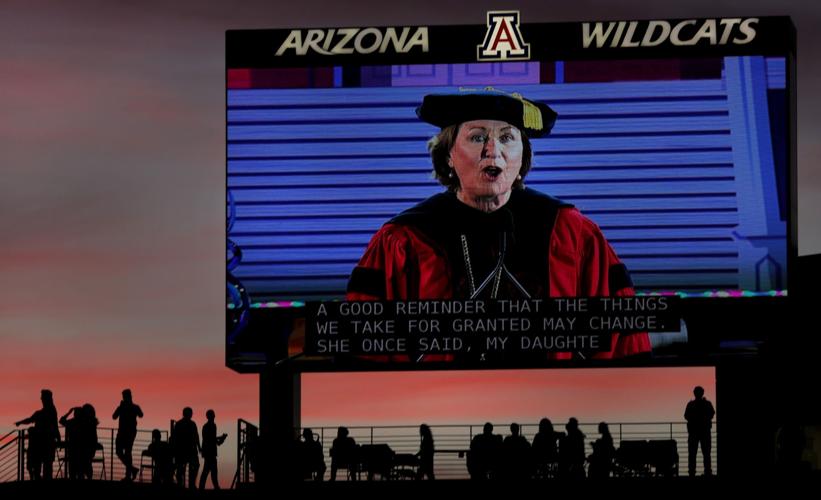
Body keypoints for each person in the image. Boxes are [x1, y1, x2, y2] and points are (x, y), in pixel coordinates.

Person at [346, 88, 650, 360]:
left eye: (507, 138)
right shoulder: (404, 236)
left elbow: (623, 339)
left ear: (522, 158)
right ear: (449, 155)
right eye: (477, 137)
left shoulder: (570, 231)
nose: (492, 150)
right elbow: (364, 343)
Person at [15, 389, 60, 480]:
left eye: (42, 397)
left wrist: (20, 422)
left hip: (43, 443)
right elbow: (55, 426)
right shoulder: (50, 411)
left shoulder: (45, 412)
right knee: (44, 466)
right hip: (46, 442)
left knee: (42, 466)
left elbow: (30, 420)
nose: (41, 399)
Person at [112, 389, 143, 481]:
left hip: (126, 432)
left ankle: (129, 474)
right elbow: (114, 417)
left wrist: (122, 407)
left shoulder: (131, 407)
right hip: (127, 432)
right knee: (124, 452)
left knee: (125, 452)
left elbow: (141, 415)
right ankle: (131, 470)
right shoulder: (131, 407)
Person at [684, 385, 715, 476]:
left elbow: (686, 416)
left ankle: (692, 472)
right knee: (706, 453)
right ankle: (707, 471)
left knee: (693, 453)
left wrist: (694, 419)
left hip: (694, 432)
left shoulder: (691, 404)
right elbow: (712, 414)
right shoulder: (707, 404)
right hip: (704, 432)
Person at [172, 407, 201, 488]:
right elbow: (196, 436)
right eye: (191, 413)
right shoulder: (190, 424)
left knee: (183, 468)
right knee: (189, 467)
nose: (191, 414)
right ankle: (189, 483)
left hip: (184, 450)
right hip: (187, 449)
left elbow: (196, 436)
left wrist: (199, 447)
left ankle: (184, 484)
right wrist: (199, 447)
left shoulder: (179, 424)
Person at [199, 409, 228, 489]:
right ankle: (214, 486)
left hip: (209, 451)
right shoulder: (210, 426)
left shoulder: (210, 425)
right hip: (210, 451)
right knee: (211, 470)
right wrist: (221, 438)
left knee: (209, 470)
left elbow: (212, 440)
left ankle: (208, 486)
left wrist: (221, 438)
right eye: (213, 415)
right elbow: (210, 439)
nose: (214, 416)